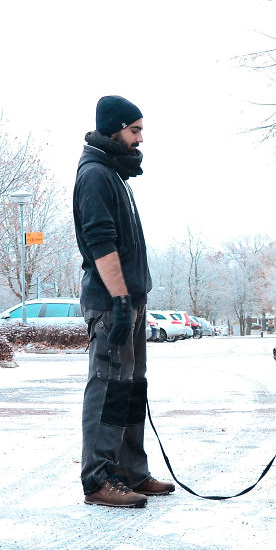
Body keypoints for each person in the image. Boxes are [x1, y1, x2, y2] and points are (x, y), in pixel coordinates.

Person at [72, 95, 175, 508]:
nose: (140, 139)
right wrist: (118, 301)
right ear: (115, 129)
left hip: (131, 300)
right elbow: (101, 243)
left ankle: (131, 471)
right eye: (135, 130)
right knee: (108, 387)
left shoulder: (114, 174)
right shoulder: (95, 174)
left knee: (131, 388)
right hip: (111, 303)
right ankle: (98, 480)